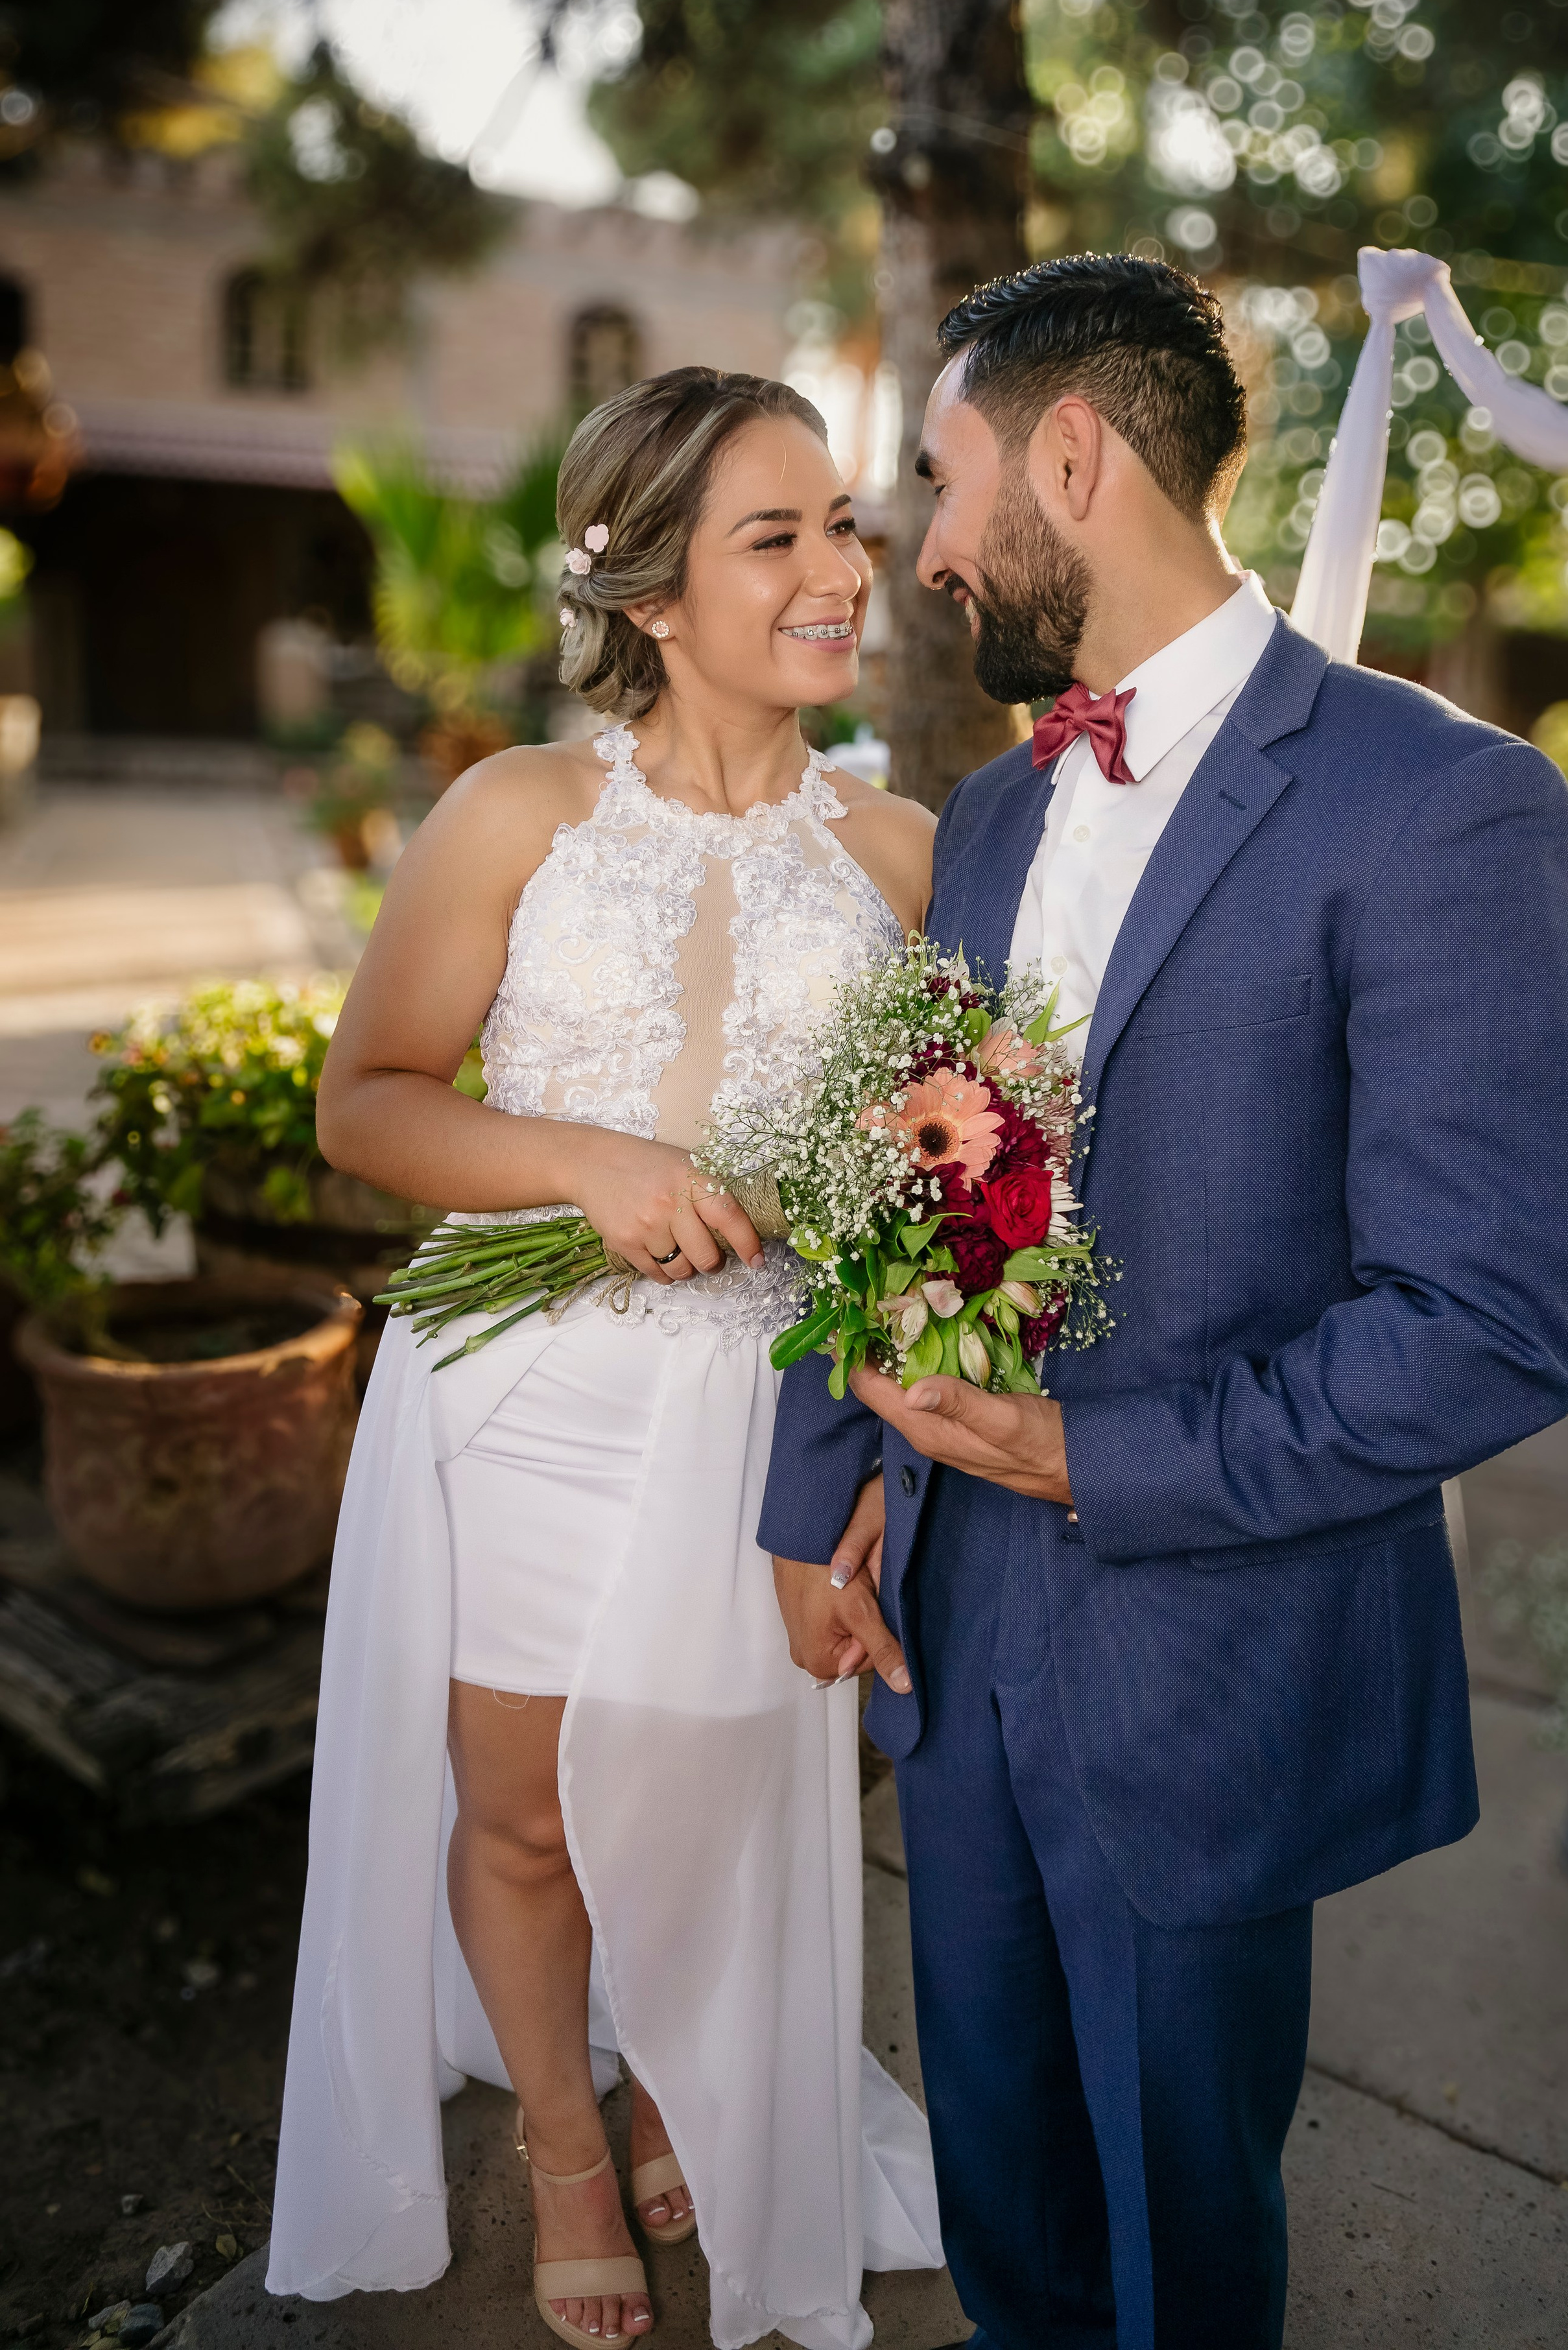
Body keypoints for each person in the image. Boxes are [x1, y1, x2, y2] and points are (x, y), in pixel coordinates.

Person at [759, 255, 1568, 2350]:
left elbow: (1490, 1319)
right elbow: (920, 1172)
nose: (930, 555)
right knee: (1005, 2180)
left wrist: (1081, 1450)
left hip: (1210, 1645)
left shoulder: (1445, 806)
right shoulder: (995, 811)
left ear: (1076, 456)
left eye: (947, 484)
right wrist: (835, 1474)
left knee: (1180, 2227)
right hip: (949, 1618)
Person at [267, 368, 941, 2350]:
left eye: (846, 527)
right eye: (783, 536)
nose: (843, 569)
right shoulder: (516, 812)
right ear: (649, 591)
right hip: (534, 1400)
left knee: (712, 1800)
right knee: (531, 1812)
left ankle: (680, 2079)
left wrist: (894, 1439)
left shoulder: (907, 854)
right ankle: (570, 2137)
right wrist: (585, 1159)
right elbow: (367, 1104)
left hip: (773, 1424)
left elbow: (940, 1188)